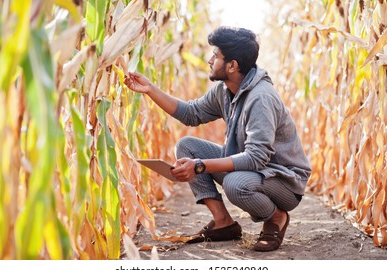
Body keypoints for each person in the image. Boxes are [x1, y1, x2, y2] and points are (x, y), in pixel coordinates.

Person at [124, 26, 311, 252]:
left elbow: (256, 158)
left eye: (216, 55)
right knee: (187, 146)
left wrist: (200, 166)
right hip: (254, 170)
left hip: (283, 181)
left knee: (235, 185)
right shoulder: (224, 90)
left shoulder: (261, 98)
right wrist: (150, 89)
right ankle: (223, 223)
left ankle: (276, 217)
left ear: (232, 66)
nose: (209, 60)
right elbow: (190, 113)